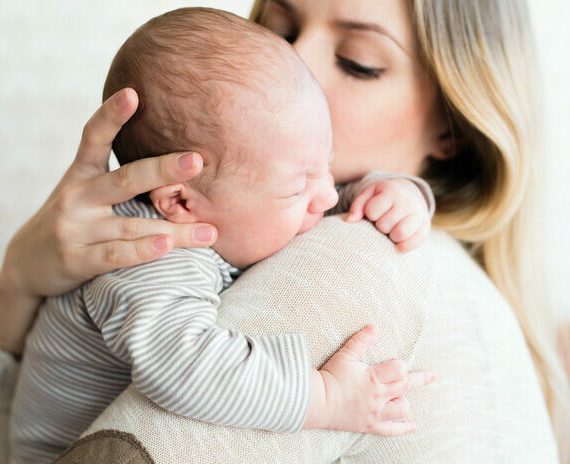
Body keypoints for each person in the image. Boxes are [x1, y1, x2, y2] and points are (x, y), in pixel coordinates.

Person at [1, 0, 568, 462]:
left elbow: (316, 196)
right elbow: (185, 367)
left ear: (452, 129)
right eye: (278, 28)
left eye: (358, 60)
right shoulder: (156, 253)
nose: (295, 66)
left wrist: (403, 194)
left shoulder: (316, 226)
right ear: (181, 198)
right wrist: (22, 272)